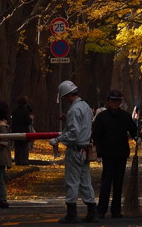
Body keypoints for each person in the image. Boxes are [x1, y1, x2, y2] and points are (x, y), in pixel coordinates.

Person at [52, 80, 97, 223]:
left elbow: (73, 132)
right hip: (85, 149)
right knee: (85, 181)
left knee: (72, 182)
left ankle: (71, 214)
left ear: (66, 96)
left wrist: (58, 139)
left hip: (75, 150)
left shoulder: (73, 110)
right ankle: (92, 212)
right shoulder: (85, 106)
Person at [92, 88, 138, 219]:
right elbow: (97, 136)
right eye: (113, 100)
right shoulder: (102, 117)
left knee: (118, 183)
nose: (115, 103)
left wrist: (137, 137)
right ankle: (101, 210)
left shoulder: (125, 116)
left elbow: (133, 129)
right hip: (107, 154)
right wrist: (98, 153)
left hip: (121, 154)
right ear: (108, 101)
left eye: (117, 101)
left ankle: (116, 211)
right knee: (106, 183)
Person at [10, 95, 33, 166]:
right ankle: (24, 161)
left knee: (17, 147)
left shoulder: (15, 111)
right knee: (24, 147)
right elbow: (27, 121)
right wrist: (31, 118)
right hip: (24, 131)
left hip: (16, 131)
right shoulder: (25, 111)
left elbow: (13, 122)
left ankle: (18, 161)